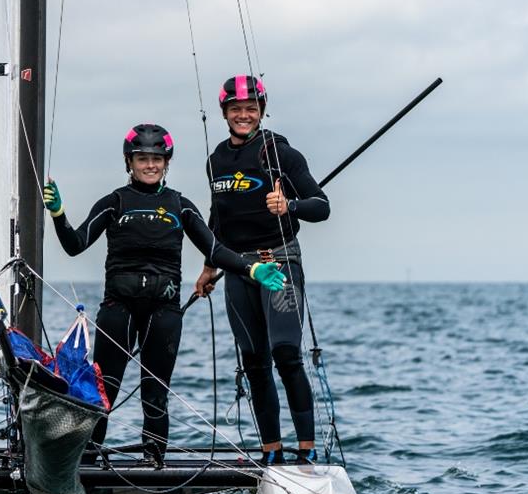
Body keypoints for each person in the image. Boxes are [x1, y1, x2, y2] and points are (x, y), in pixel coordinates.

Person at [43, 123, 286, 466]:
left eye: (157, 158)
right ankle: (86, 460)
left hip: (164, 311)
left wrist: (252, 268)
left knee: (154, 394)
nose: (150, 165)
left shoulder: (179, 205)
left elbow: (215, 250)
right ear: (129, 162)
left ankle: (154, 462)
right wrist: (58, 214)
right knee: (102, 389)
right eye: (142, 158)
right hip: (118, 307)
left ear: (167, 162)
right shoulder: (114, 202)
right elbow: (75, 245)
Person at [194, 75, 330, 465]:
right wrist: (208, 266)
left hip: (280, 260)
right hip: (239, 267)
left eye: (250, 108)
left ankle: (306, 452)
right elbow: (217, 217)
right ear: (224, 113)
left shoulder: (282, 154)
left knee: (286, 353)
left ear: (261, 111)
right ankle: (271, 452)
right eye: (235, 109)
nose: (243, 115)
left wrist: (290, 206)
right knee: (254, 362)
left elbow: (321, 206)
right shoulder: (216, 160)